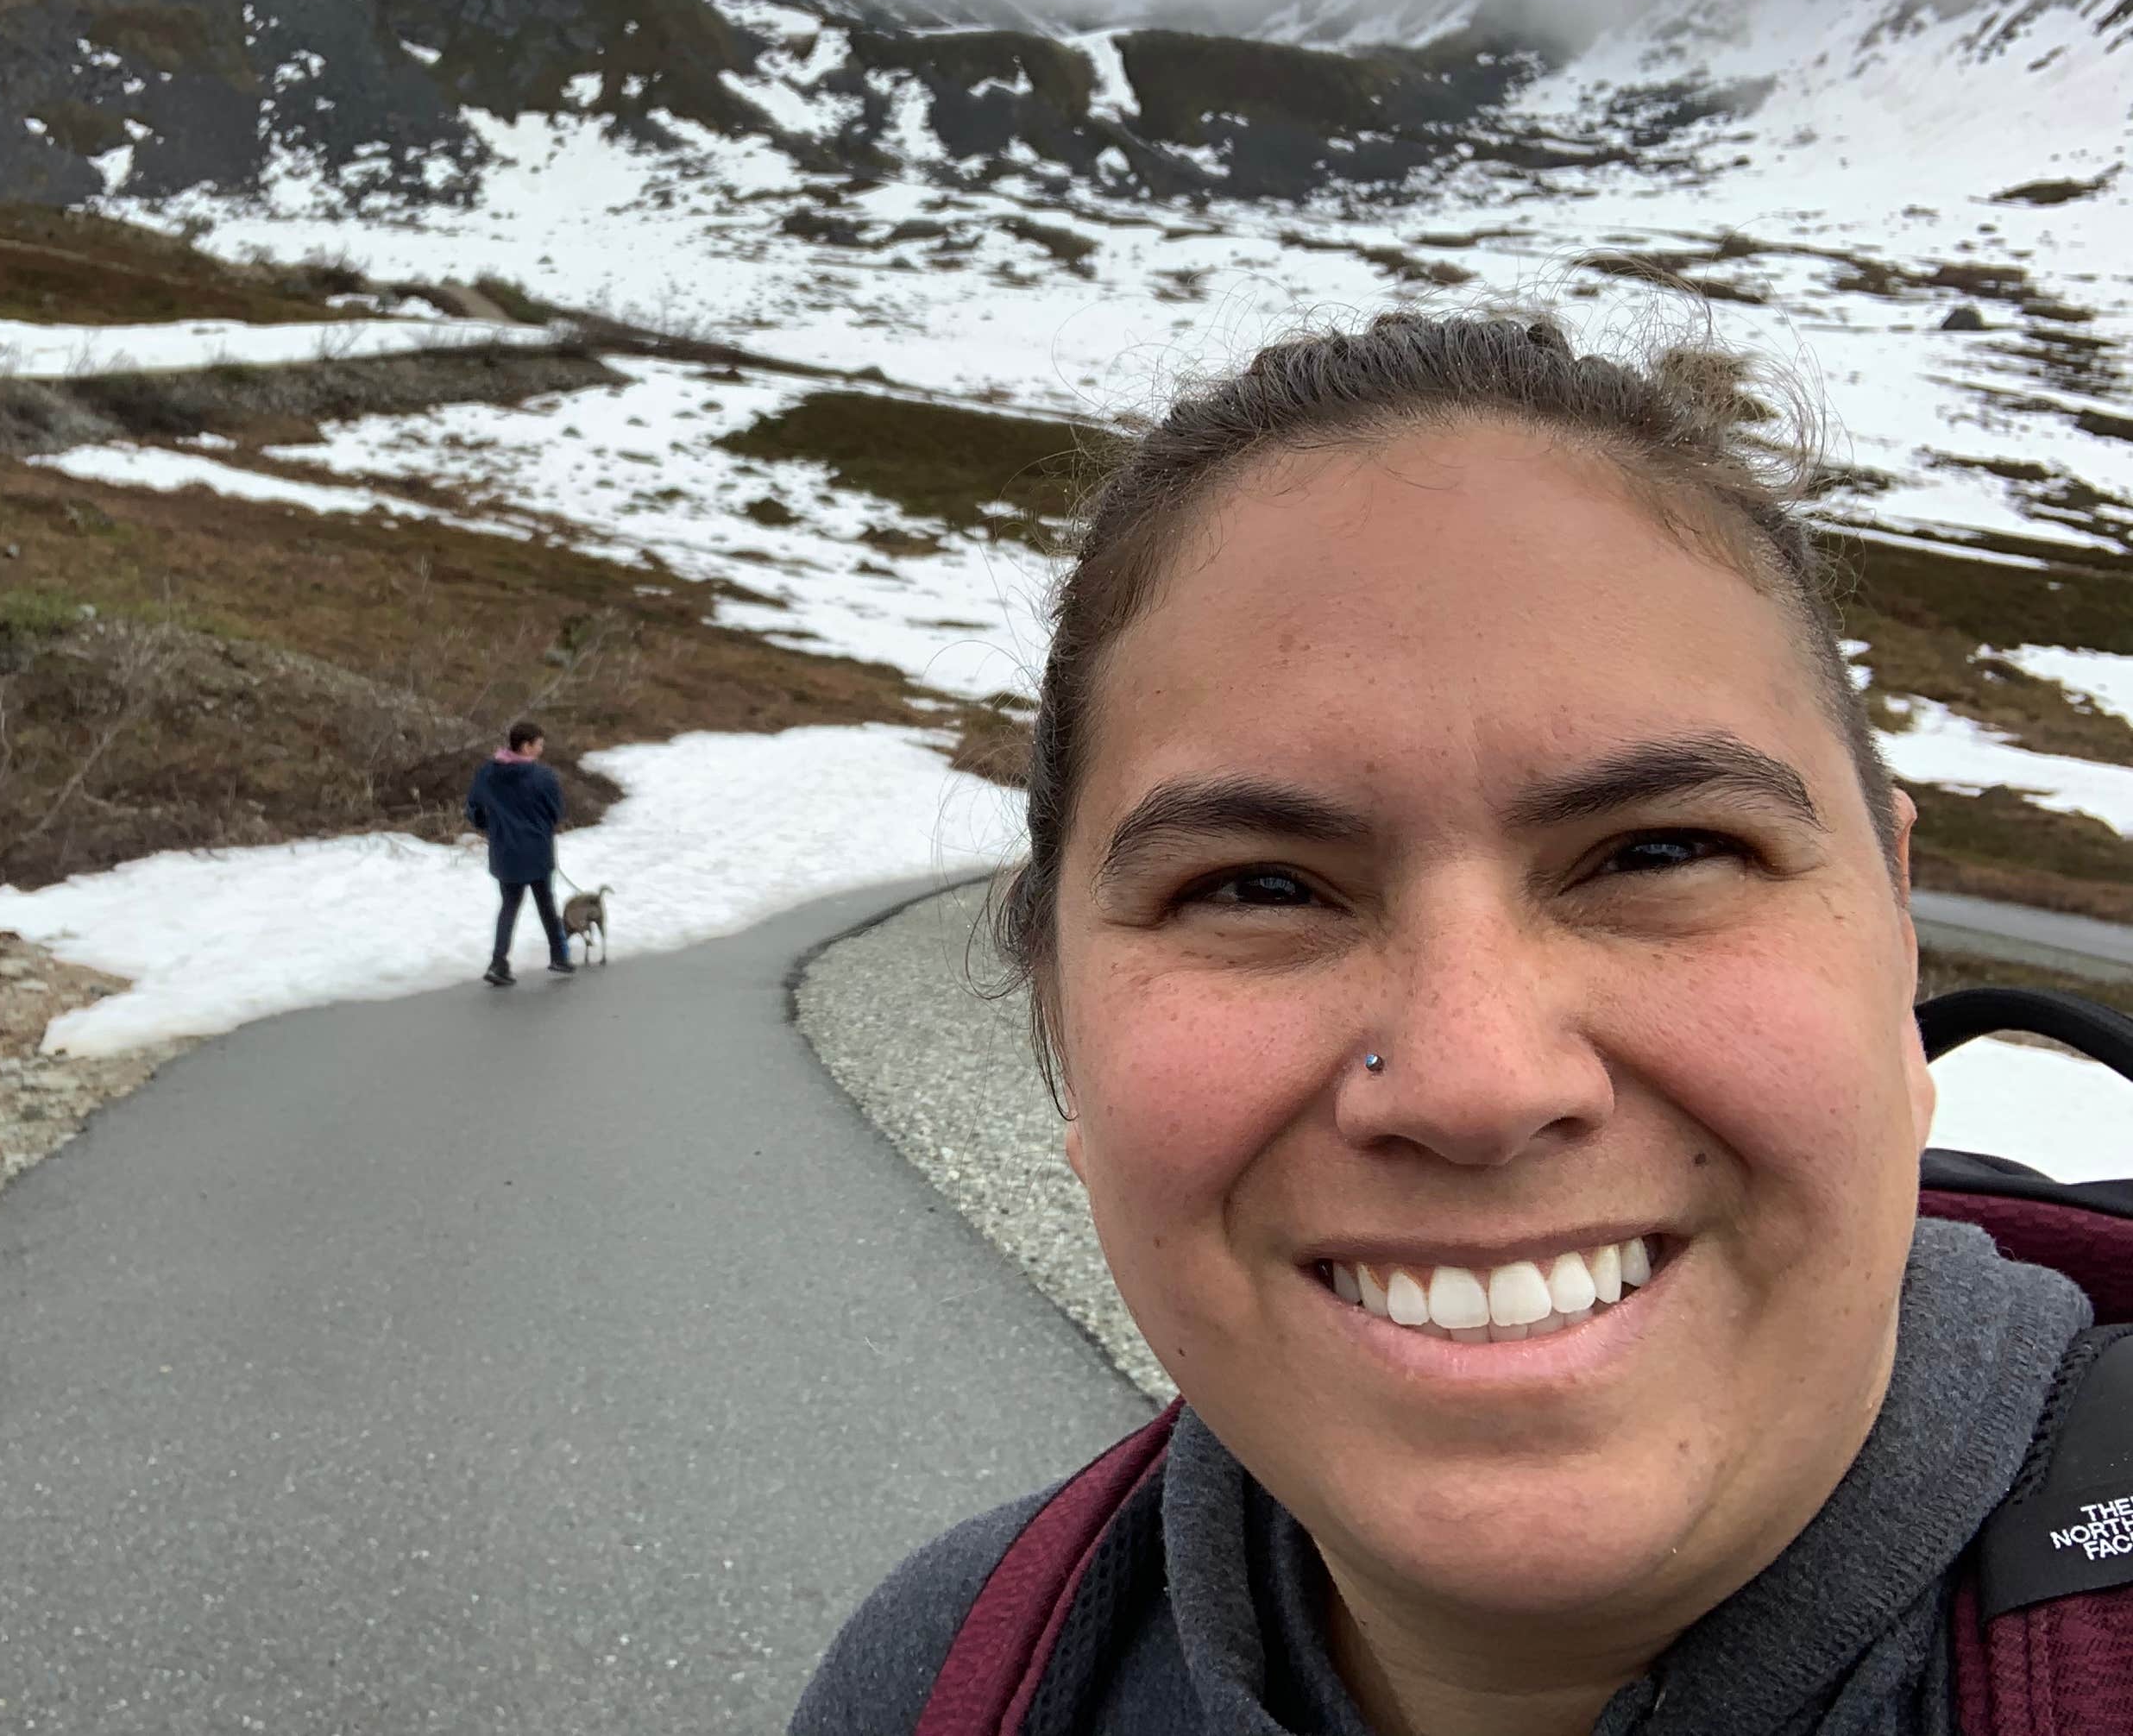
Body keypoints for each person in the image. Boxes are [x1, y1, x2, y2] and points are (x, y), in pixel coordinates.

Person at [793, 311, 2095, 1735]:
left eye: (1656, 853)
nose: (1475, 1081)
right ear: (1061, 1014)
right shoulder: (938, 1680)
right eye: (1261, 886)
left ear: (1891, 926)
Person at [466, 720, 575, 985]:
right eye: (539, 745)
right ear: (526, 746)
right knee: (546, 904)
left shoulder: (487, 774)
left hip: (504, 851)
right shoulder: (543, 777)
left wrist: (489, 826)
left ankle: (498, 962)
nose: (541, 749)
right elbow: (555, 813)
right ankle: (560, 956)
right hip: (536, 849)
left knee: (509, 906)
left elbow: (473, 807)